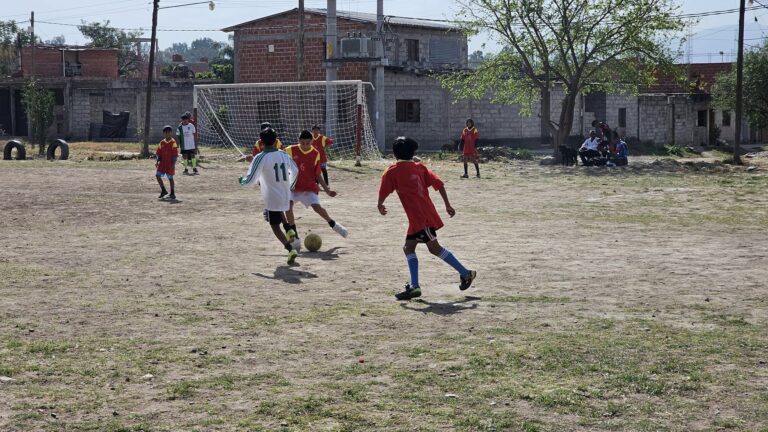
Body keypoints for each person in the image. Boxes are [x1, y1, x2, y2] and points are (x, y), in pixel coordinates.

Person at [378, 136, 477, 301]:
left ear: (395, 154)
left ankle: (466, 273)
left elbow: (384, 190)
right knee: (408, 248)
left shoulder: (392, 171)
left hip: (422, 218)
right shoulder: (419, 167)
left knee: (435, 248)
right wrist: (447, 205)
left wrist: (380, 204)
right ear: (413, 153)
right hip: (418, 218)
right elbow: (439, 184)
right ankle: (415, 286)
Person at [240, 128, 300, 265]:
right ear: (276, 140)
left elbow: (251, 179)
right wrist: (290, 186)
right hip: (285, 193)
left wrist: (242, 181)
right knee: (279, 211)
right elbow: (295, 170)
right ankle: (289, 229)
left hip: (272, 195)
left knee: (274, 225)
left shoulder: (260, 157)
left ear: (261, 142)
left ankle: (290, 249)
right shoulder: (283, 154)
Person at [284, 130, 348, 245]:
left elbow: (317, 174)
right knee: (288, 207)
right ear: (299, 141)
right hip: (293, 187)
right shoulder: (289, 150)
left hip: (309, 187)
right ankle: (295, 237)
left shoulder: (315, 153)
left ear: (312, 142)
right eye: (302, 143)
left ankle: (334, 225)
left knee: (317, 208)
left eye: (307, 143)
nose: (305, 146)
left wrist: (327, 190)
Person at [155, 125, 178, 200]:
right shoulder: (162, 142)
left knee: (170, 178)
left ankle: (172, 193)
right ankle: (163, 190)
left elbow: (175, 154)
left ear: (171, 133)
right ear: (163, 133)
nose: (167, 134)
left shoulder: (173, 142)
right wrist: (157, 161)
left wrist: (173, 164)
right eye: (165, 132)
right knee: (157, 175)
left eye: (168, 132)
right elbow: (158, 153)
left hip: (169, 163)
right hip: (162, 163)